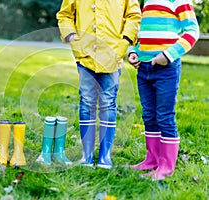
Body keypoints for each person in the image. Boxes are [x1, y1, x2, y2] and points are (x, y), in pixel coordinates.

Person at [56, 1, 141, 169]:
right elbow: (64, 15)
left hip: (113, 52)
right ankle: (86, 155)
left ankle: (105, 155)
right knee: (87, 100)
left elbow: (133, 16)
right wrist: (72, 37)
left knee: (108, 101)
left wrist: (124, 42)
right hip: (85, 53)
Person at [128, 0, 199, 180]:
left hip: (166, 68)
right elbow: (143, 35)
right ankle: (151, 160)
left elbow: (192, 32)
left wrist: (167, 56)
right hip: (144, 68)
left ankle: (166, 167)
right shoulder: (148, 2)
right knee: (149, 115)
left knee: (164, 116)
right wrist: (134, 52)